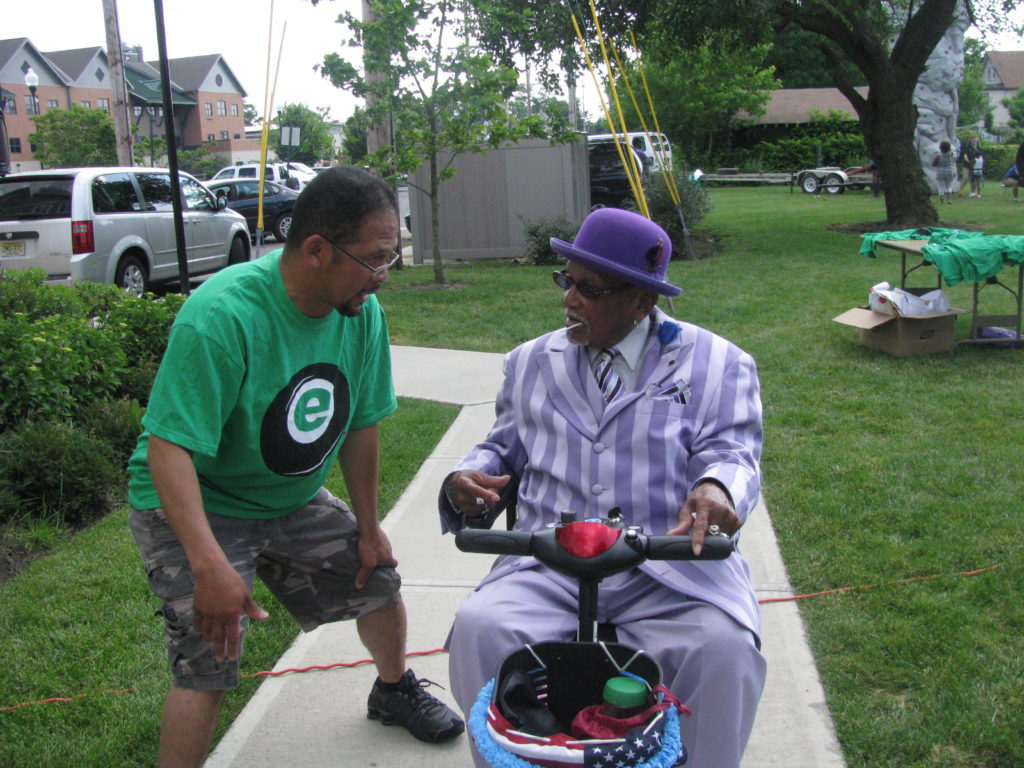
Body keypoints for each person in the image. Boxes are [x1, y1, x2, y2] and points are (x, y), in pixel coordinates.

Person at [127, 166, 464, 768]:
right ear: (316, 250)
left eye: (393, 256)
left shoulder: (358, 312)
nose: (384, 276)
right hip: (196, 500)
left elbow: (362, 424)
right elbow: (167, 449)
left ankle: (392, 693)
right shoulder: (222, 315)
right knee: (210, 660)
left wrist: (367, 528)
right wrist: (208, 567)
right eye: (375, 259)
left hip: (286, 498)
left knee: (379, 581)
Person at [439, 207, 765, 768]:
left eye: (588, 288)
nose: (569, 299)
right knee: (481, 628)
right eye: (566, 280)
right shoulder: (530, 363)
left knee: (723, 651)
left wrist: (717, 489)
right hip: (548, 565)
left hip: (668, 566)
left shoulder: (719, 364)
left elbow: (732, 452)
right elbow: (502, 447)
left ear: (642, 300)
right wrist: (466, 476)